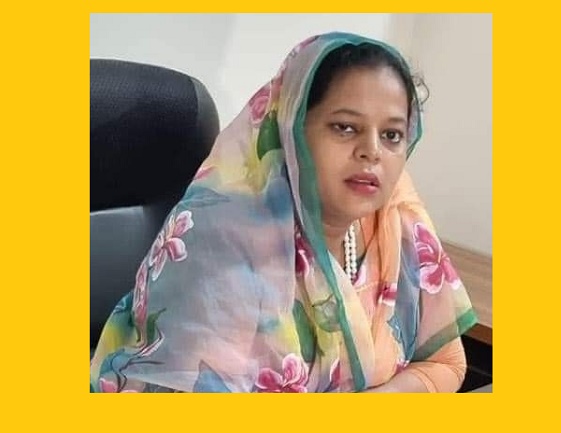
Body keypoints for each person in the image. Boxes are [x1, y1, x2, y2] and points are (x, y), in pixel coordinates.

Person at [90, 31, 478, 393]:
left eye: (392, 134)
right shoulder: (223, 256)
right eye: (345, 127)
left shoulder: (397, 223)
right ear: (291, 129)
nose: (372, 151)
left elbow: (446, 362)